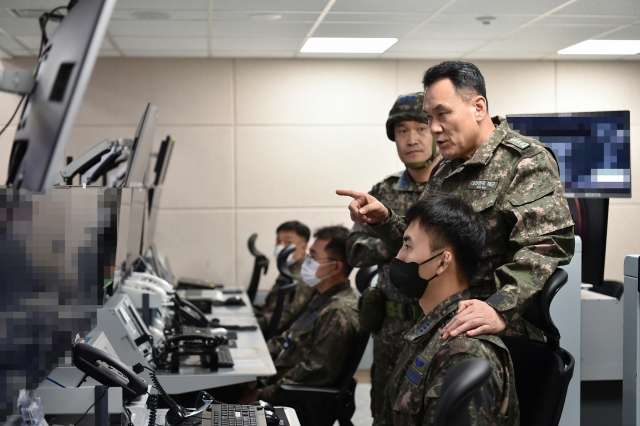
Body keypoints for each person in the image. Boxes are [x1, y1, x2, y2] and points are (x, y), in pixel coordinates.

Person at [338, 60, 574, 340]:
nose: (434, 128)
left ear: (478, 107)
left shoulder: (524, 161)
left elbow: (547, 245)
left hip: (491, 335)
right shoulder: (446, 168)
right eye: (429, 117)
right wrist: (384, 221)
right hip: (443, 325)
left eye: (443, 114)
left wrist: (499, 308)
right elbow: (426, 246)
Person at [376, 193, 519, 425]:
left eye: (407, 246)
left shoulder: (463, 352)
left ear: (443, 262)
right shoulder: (433, 330)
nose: (398, 256)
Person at [346, 91, 440, 422]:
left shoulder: (453, 189)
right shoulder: (384, 192)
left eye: (421, 128)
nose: (411, 139)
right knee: (385, 416)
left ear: (436, 131)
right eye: (402, 131)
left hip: (440, 329)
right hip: (391, 334)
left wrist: (389, 239)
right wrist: (404, 243)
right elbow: (356, 249)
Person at [241, 225, 359, 426]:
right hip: (279, 385)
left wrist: (263, 394)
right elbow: (288, 337)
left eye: (313, 257)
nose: (307, 262)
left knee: (210, 407)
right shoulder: (322, 298)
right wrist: (248, 360)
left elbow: (315, 372)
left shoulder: (338, 312)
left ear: (336, 267)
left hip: (296, 406)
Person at [253, 221, 314, 334]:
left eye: (287, 242)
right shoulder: (289, 268)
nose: (280, 247)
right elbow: (269, 306)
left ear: (303, 247)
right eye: (278, 241)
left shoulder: (301, 278)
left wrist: (244, 321)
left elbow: (276, 321)